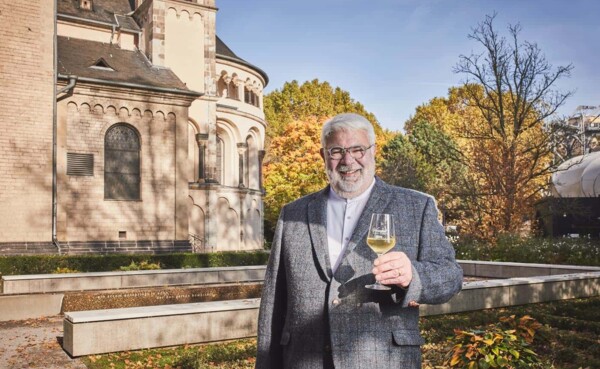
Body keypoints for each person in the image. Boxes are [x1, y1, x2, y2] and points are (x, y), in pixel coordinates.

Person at [256, 113, 463, 369]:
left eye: (357, 149)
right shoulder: (293, 213)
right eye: (336, 151)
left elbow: (451, 276)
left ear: (373, 151)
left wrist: (413, 276)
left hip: (383, 360)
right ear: (323, 156)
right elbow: (274, 303)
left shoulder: (415, 206)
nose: (348, 160)